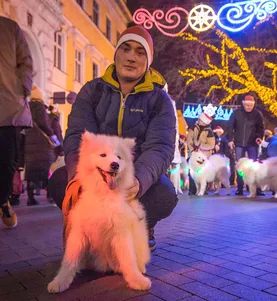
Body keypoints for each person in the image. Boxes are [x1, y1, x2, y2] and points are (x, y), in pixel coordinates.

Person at [48, 25, 178, 251]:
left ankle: (142, 226)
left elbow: (160, 147)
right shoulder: (92, 91)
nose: (131, 57)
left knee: (164, 193)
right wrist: (81, 175)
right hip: (96, 174)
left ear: (148, 60)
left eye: (140, 52)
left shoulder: (160, 100)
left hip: (134, 177)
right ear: (116, 53)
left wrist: (137, 180)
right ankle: (92, 232)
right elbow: (79, 135)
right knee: (60, 181)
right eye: (125, 49)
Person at [0, 16, 33, 228]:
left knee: (5, 160)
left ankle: (2, 200)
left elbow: (25, 62)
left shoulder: (9, 27)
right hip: (9, 105)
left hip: (7, 105)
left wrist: (23, 89)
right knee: (5, 160)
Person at [24, 85, 60, 205]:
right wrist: (53, 137)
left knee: (31, 170)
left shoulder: (26, 108)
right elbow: (44, 124)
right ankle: (50, 195)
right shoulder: (39, 107)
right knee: (47, 170)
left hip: (29, 141)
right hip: (41, 143)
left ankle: (30, 197)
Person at [227, 95, 264, 195]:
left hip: (252, 143)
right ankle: (240, 188)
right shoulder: (236, 113)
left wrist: (260, 137)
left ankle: (256, 188)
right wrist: (230, 140)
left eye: (250, 105)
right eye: (247, 105)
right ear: (243, 104)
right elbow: (230, 126)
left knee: (254, 166)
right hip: (239, 143)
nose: (248, 107)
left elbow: (261, 127)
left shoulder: (257, 114)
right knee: (240, 167)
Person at [187, 112, 215, 195]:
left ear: (205, 122)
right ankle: (192, 190)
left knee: (203, 173)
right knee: (192, 171)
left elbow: (211, 145)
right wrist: (193, 150)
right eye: (199, 119)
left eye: (201, 120)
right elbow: (189, 140)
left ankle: (203, 190)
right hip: (193, 154)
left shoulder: (209, 131)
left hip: (204, 155)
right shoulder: (193, 127)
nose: (199, 121)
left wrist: (200, 147)